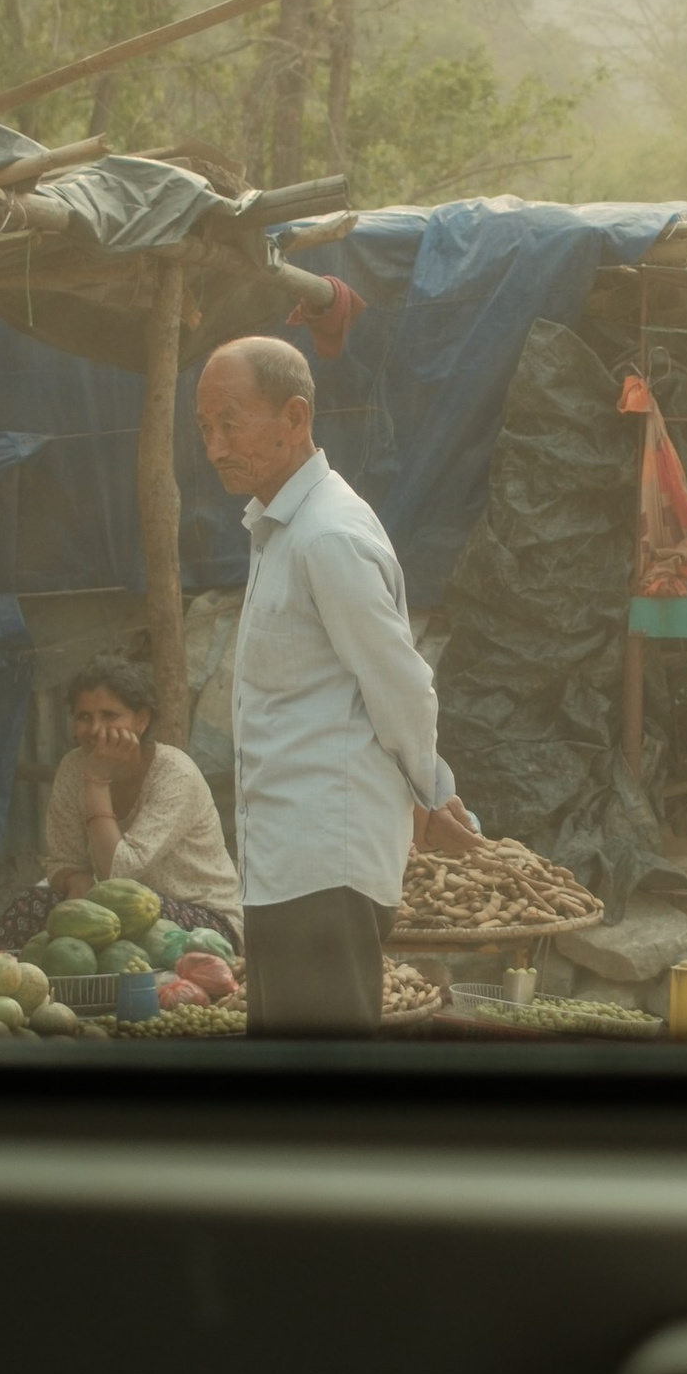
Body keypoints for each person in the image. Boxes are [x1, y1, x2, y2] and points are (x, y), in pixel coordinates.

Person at [196, 333, 478, 1035]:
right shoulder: (281, 530)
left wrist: (431, 792)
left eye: (231, 422)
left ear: (296, 418)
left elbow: (402, 686)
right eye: (205, 428)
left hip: (324, 868)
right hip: (288, 865)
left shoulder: (327, 535)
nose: (215, 447)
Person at [38, 652, 242, 920]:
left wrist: (97, 780)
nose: (96, 729)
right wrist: (75, 880)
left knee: (128, 917)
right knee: (32, 904)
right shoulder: (73, 767)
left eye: (110, 715)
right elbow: (63, 860)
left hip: (199, 912)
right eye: (84, 717)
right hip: (114, 907)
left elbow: (118, 875)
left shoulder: (175, 773)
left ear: (141, 720)